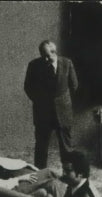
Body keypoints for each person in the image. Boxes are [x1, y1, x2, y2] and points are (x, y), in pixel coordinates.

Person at [23, 40, 79, 169]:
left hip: (63, 111)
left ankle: (68, 172)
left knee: (67, 146)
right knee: (41, 146)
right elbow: (28, 87)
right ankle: (40, 173)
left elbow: (74, 85)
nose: (46, 59)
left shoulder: (67, 63)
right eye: (43, 55)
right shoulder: (34, 65)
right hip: (43, 112)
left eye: (48, 56)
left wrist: (63, 101)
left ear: (55, 52)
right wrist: (40, 101)